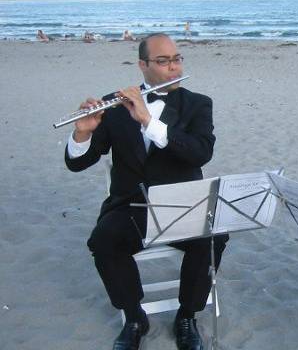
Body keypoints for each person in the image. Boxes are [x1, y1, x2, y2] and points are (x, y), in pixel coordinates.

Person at [64, 33, 225, 350]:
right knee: (103, 241)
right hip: (131, 206)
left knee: (214, 237)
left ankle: (187, 317)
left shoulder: (197, 104)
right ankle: (135, 316)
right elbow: (79, 163)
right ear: (142, 65)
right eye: (163, 61)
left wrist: (149, 120)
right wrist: (81, 133)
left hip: (184, 205)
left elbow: (200, 153)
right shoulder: (114, 104)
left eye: (177, 59)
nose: (173, 68)